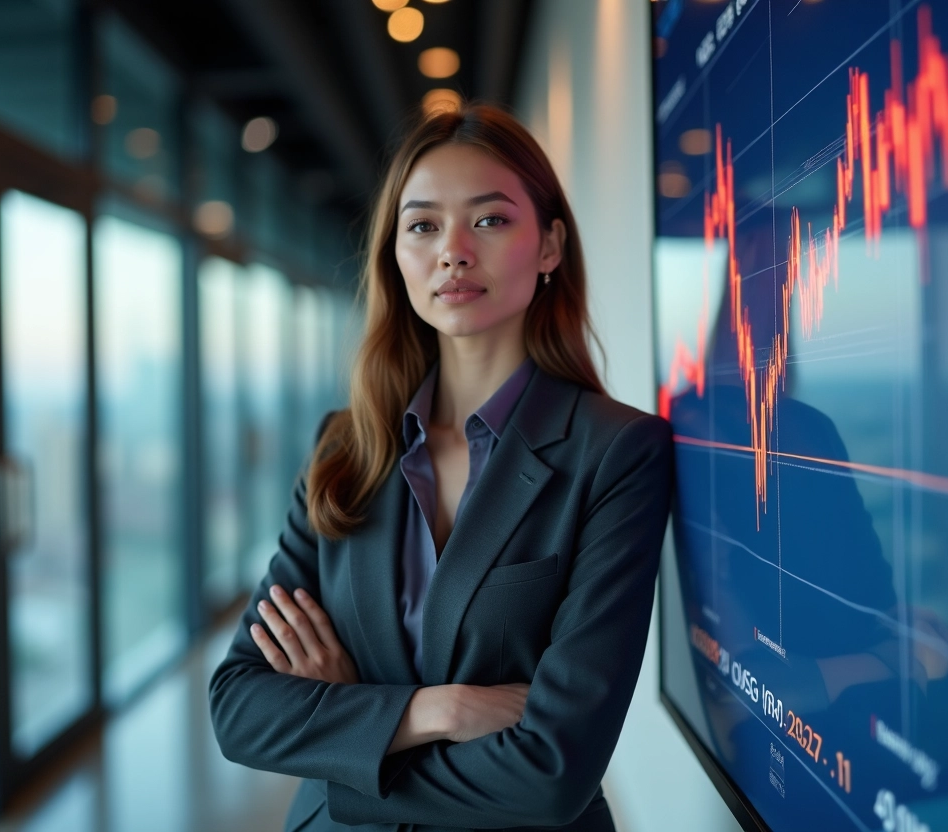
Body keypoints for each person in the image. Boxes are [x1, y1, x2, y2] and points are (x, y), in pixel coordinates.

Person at [208, 102, 674, 832]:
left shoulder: (617, 453)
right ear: (396, 256)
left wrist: (348, 736)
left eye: (489, 220)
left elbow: (554, 771)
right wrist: (440, 709)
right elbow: (240, 706)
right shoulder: (346, 448)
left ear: (549, 245)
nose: (453, 251)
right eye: (423, 225)